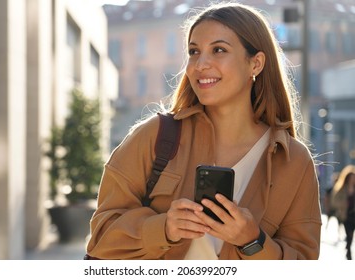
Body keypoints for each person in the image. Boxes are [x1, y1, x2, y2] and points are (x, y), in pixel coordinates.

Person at [85, 2, 322, 260]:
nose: (200, 64)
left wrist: (252, 241)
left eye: (219, 50)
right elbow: (100, 238)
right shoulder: (154, 136)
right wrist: (163, 228)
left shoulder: (294, 161)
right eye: (194, 51)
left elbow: (304, 263)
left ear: (256, 64)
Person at [330, 165, 355, 259]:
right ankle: (348, 251)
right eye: (351, 178)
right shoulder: (341, 188)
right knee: (349, 234)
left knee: (351, 234)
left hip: (354, 214)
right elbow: (334, 201)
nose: (353, 180)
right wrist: (343, 204)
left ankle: (348, 248)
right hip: (346, 215)